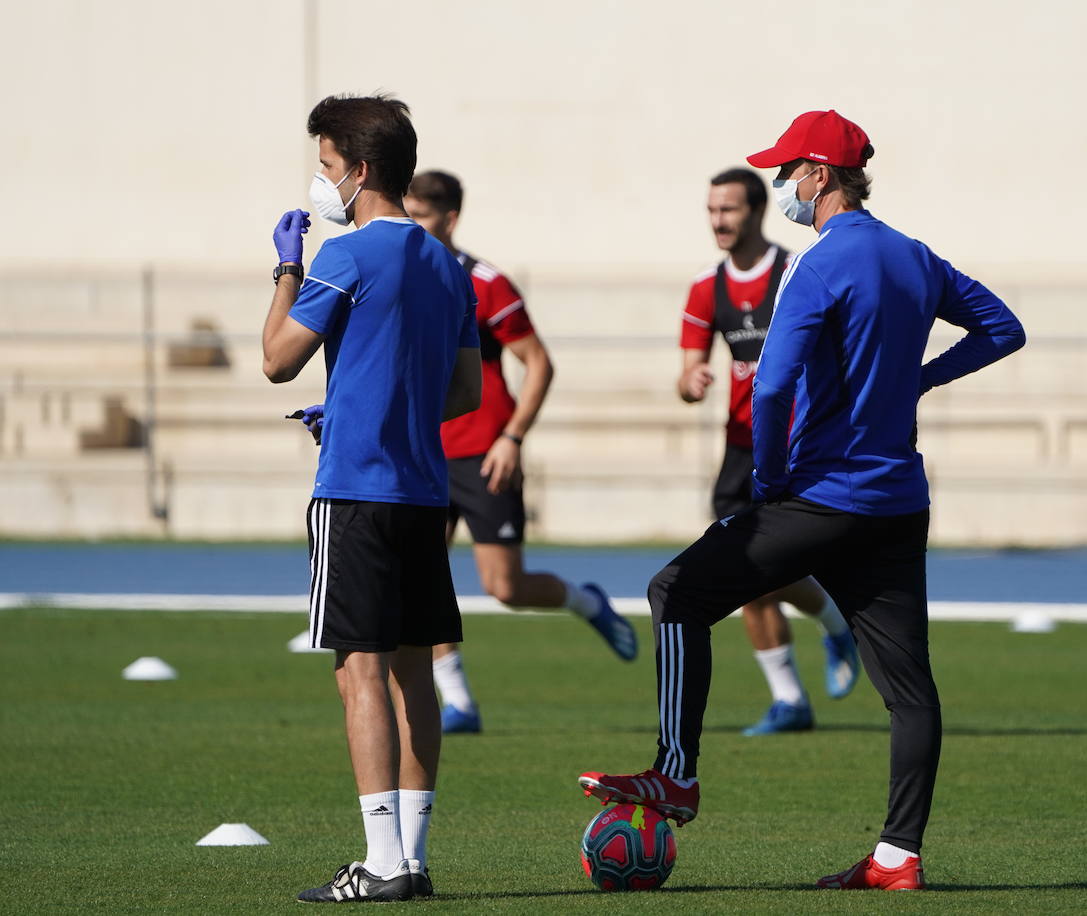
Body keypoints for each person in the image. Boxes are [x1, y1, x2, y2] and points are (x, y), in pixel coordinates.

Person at [578, 110, 1026, 891]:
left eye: (789, 172)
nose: (784, 185)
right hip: (896, 501)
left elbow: (774, 384)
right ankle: (898, 858)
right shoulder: (914, 256)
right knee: (911, 690)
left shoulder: (817, 265)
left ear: (821, 175)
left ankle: (675, 775)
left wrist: (770, 478)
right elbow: (1002, 328)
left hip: (818, 493)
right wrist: (921, 377)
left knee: (675, 593)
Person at [264, 94, 483, 903]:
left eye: (326, 167)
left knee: (358, 671)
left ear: (358, 171)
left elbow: (277, 360)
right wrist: (362, 400)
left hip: (355, 490)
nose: (323, 184)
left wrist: (288, 266)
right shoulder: (445, 263)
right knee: (413, 673)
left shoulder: (344, 255)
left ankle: (382, 860)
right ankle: (413, 859)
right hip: (423, 492)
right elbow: (461, 391)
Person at [402, 170, 637, 735]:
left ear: (450, 219)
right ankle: (458, 702)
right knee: (417, 580)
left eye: (421, 216)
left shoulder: (487, 283)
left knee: (503, 587)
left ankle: (585, 602)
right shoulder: (402, 276)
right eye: (404, 214)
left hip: (484, 453)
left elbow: (539, 363)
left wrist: (511, 437)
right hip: (423, 452)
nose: (410, 226)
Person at [678, 167, 859, 735]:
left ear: (756, 211)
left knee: (755, 568)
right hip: (740, 450)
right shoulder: (707, 287)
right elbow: (685, 375)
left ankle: (832, 627)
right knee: (743, 573)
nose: (718, 221)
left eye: (727, 210)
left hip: (796, 444)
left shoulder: (794, 271)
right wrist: (694, 382)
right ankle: (791, 695)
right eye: (711, 211)